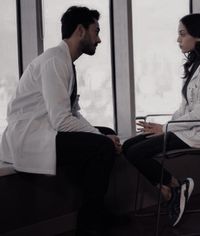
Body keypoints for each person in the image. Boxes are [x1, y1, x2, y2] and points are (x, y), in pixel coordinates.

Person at [0, 6, 121, 236]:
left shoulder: (66, 62)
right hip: (30, 137)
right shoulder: (54, 61)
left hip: (47, 131)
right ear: (80, 31)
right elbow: (62, 121)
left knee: (107, 132)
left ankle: (95, 210)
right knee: (102, 145)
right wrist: (101, 138)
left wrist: (101, 133)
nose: (100, 39)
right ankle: (89, 224)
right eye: (96, 31)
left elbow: (73, 112)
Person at [123, 13, 200, 227]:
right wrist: (165, 127)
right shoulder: (198, 64)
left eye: (182, 34)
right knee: (129, 145)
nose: (178, 40)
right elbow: (186, 108)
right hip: (188, 129)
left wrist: (166, 128)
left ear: (198, 36)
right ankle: (174, 188)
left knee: (136, 152)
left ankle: (173, 188)